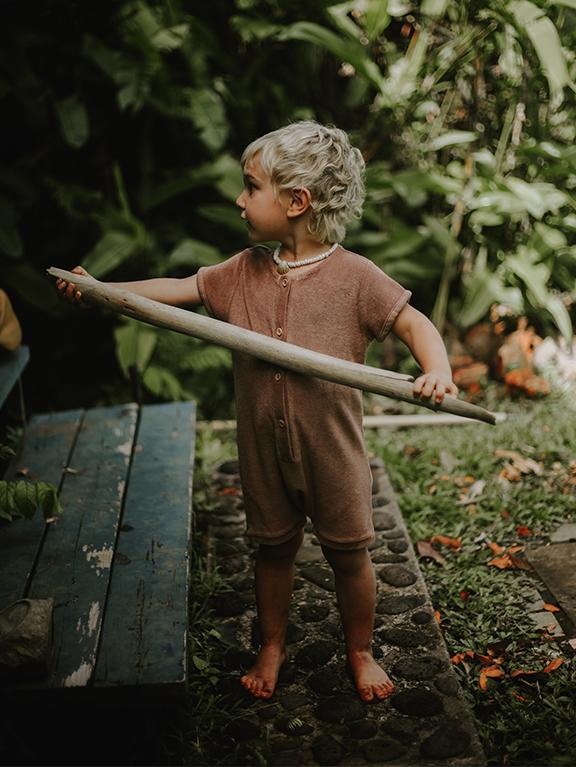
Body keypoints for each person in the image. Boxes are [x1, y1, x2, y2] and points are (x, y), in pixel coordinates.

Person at [57, 121, 458, 703]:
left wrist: (437, 370)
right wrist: (103, 289)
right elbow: (179, 289)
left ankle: (360, 649)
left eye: (251, 187)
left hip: (332, 452)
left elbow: (414, 322)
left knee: (350, 554)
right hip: (263, 451)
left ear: (297, 202)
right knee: (273, 549)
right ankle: (271, 643)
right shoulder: (243, 270)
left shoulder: (355, 277)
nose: (240, 199)